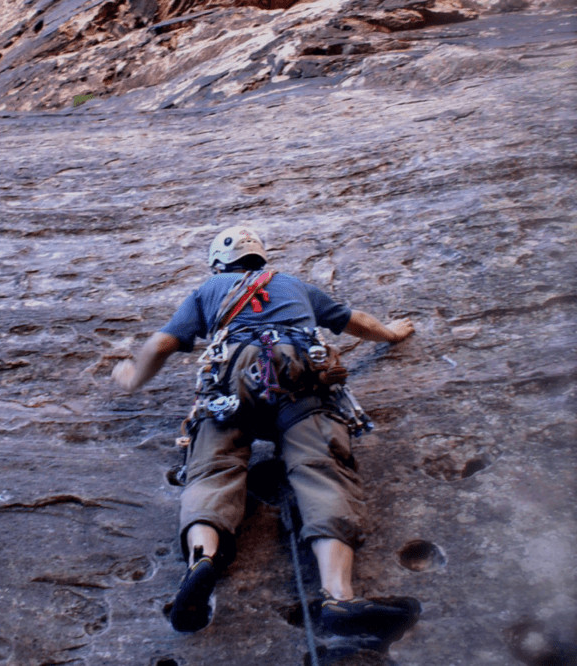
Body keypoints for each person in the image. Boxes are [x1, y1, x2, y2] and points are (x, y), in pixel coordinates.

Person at [112, 226, 415, 634]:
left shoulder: (210, 288)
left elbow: (163, 344)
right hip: (299, 374)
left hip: (232, 378)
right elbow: (353, 321)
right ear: (261, 257)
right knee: (323, 468)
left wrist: (132, 377)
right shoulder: (293, 285)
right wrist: (392, 333)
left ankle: (202, 558)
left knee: (213, 465)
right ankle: (339, 598)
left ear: (218, 264)